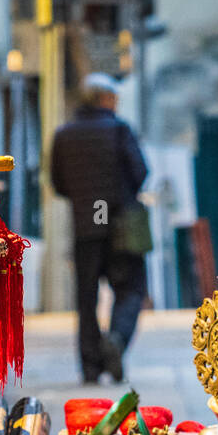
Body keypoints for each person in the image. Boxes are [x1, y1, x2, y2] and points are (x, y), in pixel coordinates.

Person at [49, 73, 149, 384]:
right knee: (132, 289)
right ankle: (116, 340)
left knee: (86, 298)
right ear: (106, 99)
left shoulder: (64, 135)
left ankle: (91, 367)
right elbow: (140, 172)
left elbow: (58, 184)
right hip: (121, 227)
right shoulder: (119, 130)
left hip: (85, 229)